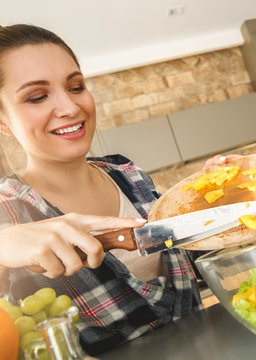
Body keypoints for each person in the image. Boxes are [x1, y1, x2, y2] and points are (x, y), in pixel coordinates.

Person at [0, 24, 231, 355]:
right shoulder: (5, 209)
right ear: (3, 121)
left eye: (76, 87)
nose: (69, 107)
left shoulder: (129, 174)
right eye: (37, 97)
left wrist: (213, 199)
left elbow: (186, 258)